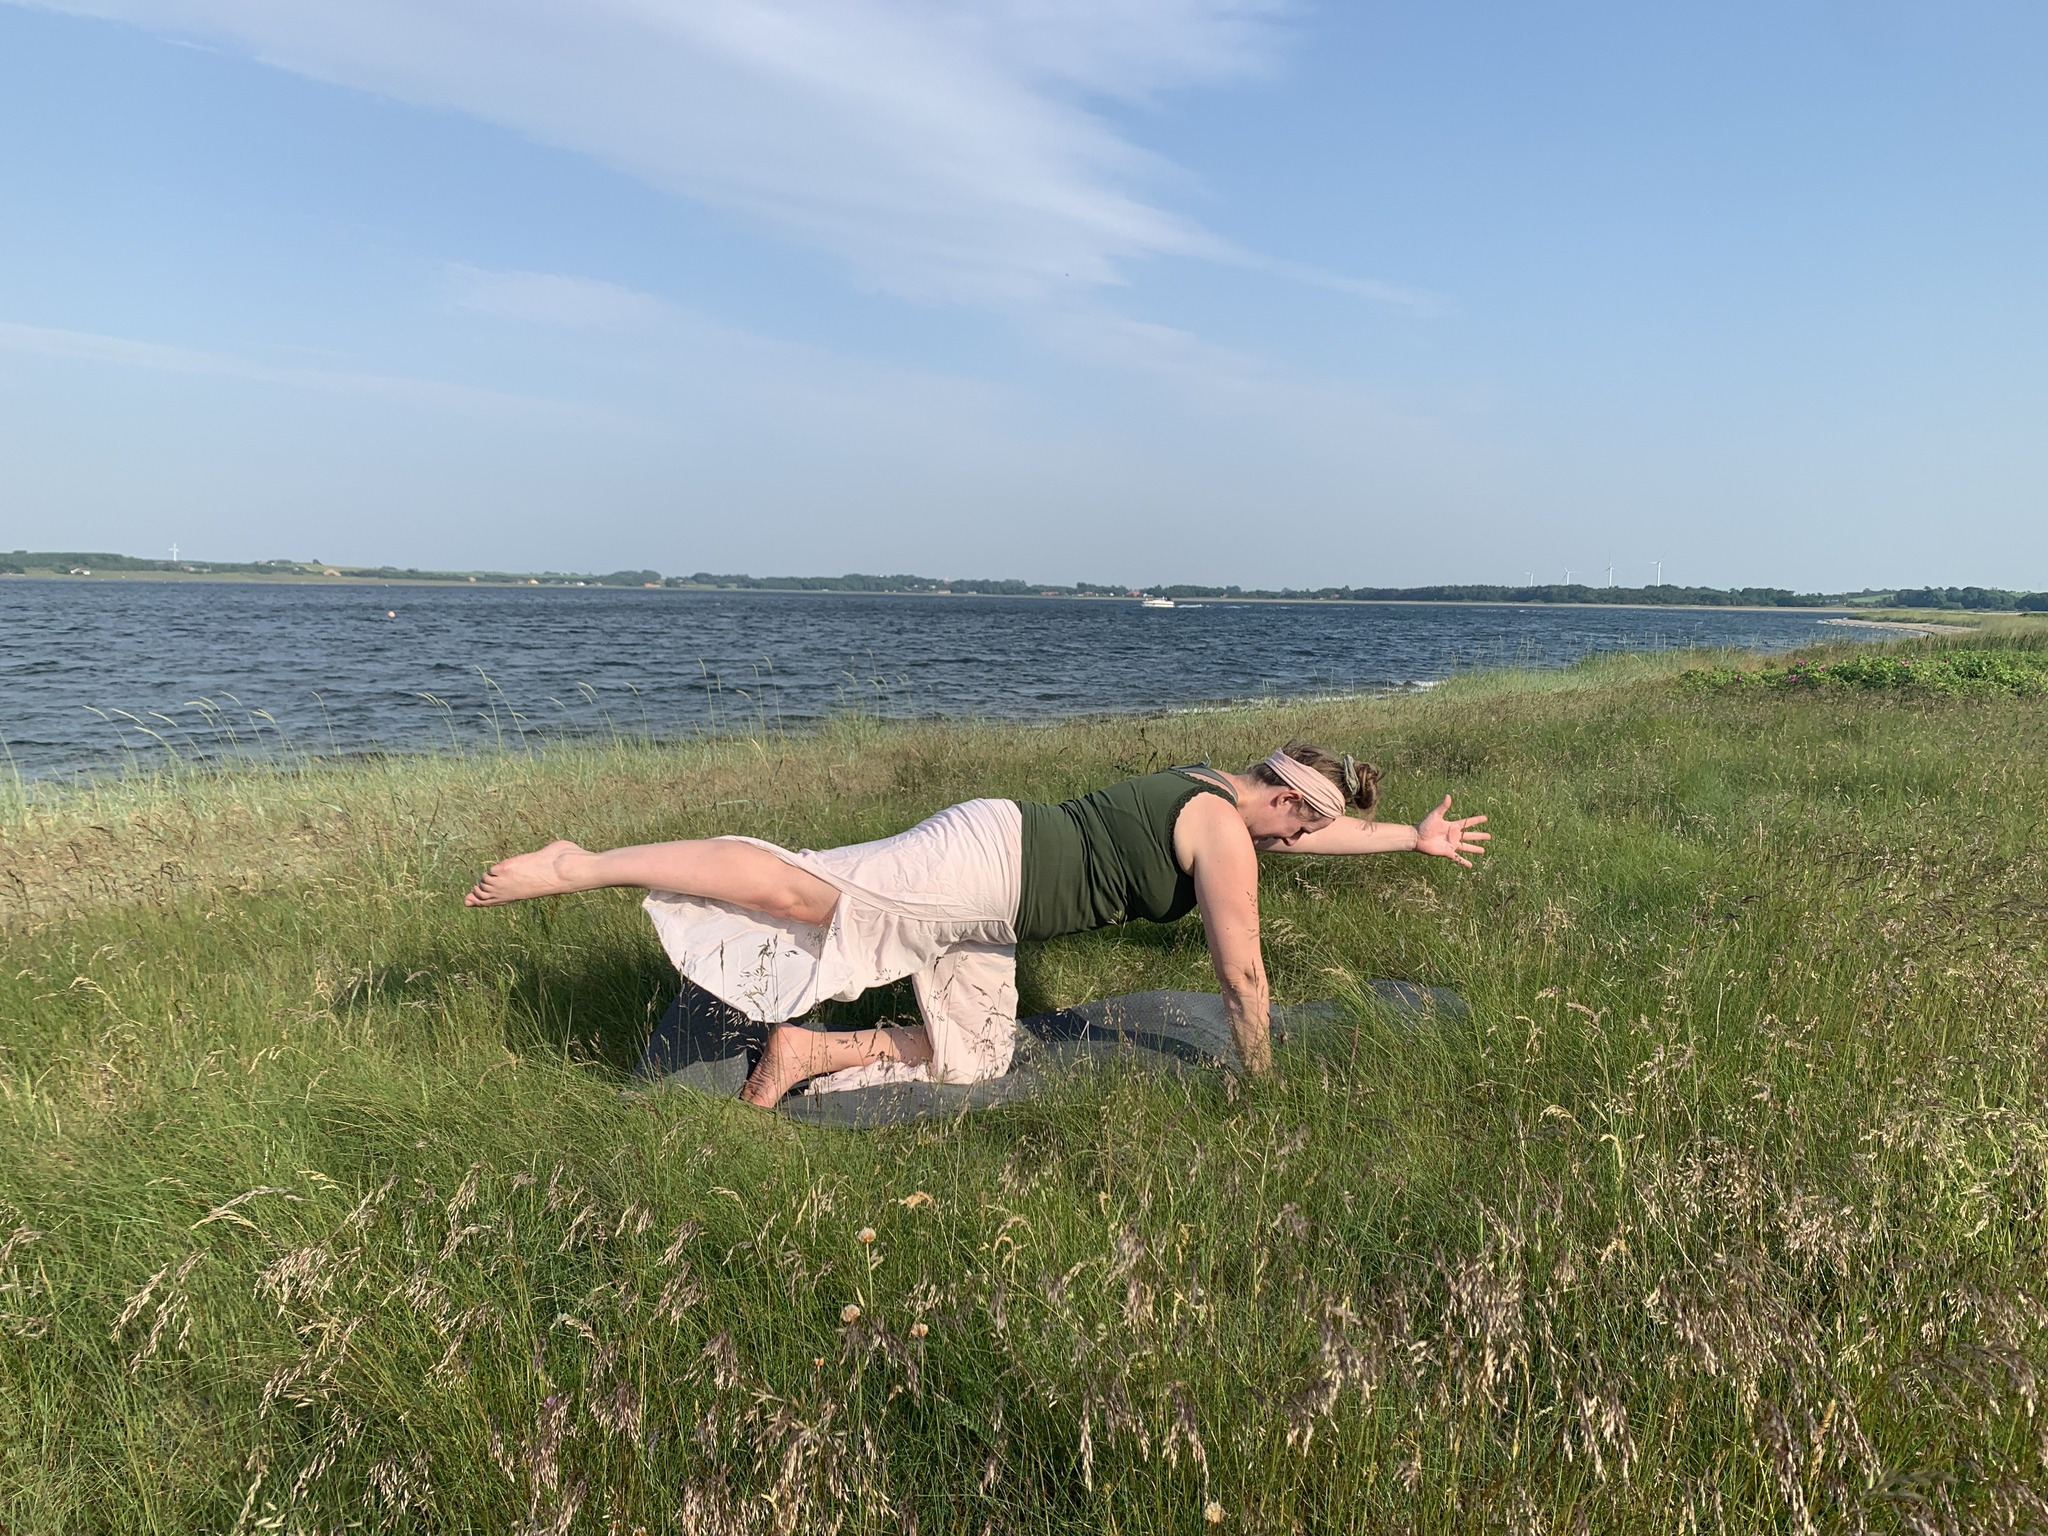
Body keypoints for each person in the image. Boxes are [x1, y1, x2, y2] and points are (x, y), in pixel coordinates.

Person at [465, 743, 1488, 1107]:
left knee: (973, 1060)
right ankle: (582, 864)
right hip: (979, 870)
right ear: (1281, 804)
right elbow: (1244, 978)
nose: (1286, 850)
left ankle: (804, 1049)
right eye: (1294, 831)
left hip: (990, 899)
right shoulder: (1225, 833)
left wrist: (1407, 838)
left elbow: (1307, 843)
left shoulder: (1224, 791)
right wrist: (1259, 1081)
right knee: (798, 889)